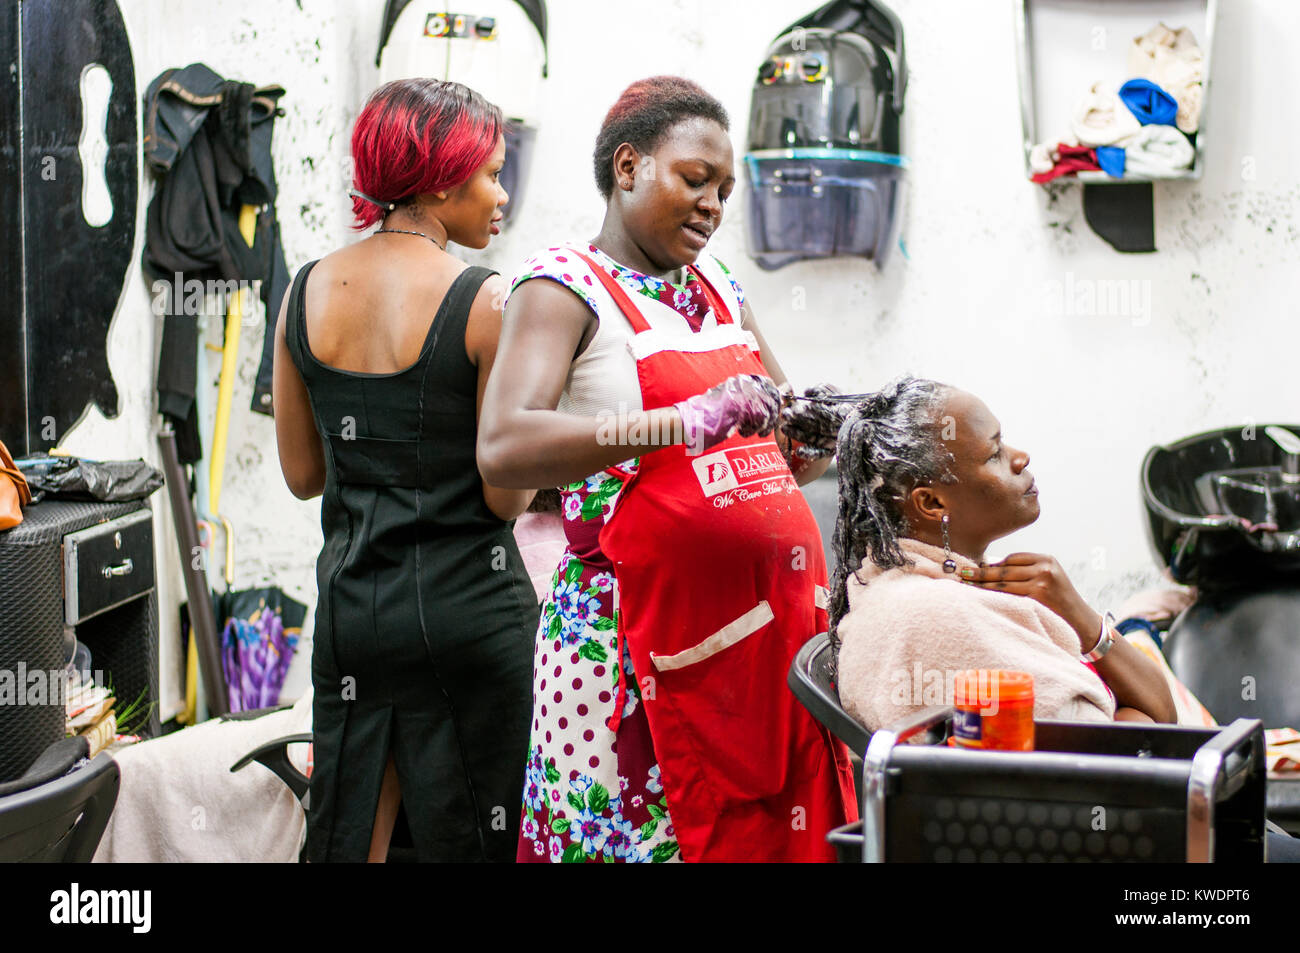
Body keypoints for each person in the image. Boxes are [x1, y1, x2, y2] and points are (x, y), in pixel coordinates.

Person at [477, 76, 857, 863]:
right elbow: (504, 444)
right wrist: (678, 422)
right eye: (693, 179)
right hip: (623, 658)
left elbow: (792, 453)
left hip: (752, 650)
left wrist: (813, 430)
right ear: (628, 168)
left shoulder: (721, 289)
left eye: (723, 189)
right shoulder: (563, 286)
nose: (713, 205)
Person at [272, 79, 538, 862]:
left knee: (353, 833)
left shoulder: (305, 290)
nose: (502, 193)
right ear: (442, 178)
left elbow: (302, 473)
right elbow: (502, 494)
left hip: (356, 615)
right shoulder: (489, 300)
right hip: (470, 613)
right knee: (478, 836)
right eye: (491, 172)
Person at [829, 377, 1178, 731]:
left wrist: (1081, 617)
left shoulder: (909, 588)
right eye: (994, 454)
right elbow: (1129, 746)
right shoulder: (938, 617)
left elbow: (1158, 713)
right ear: (932, 503)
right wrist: (1138, 713)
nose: (1021, 458)